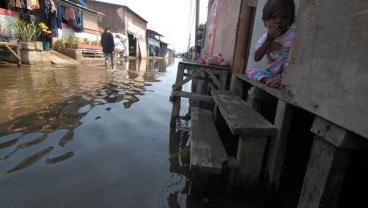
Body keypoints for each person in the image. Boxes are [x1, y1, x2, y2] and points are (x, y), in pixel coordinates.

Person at [245, 0, 296, 88]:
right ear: (265, 20)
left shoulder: (293, 34)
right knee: (249, 71)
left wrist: (285, 77)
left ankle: (282, 81)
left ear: (290, 19)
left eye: (285, 17)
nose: (279, 21)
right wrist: (268, 40)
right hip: (271, 73)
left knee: (291, 40)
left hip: (288, 75)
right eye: (274, 17)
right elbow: (257, 58)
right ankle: (268, 81)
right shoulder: (265, 38)